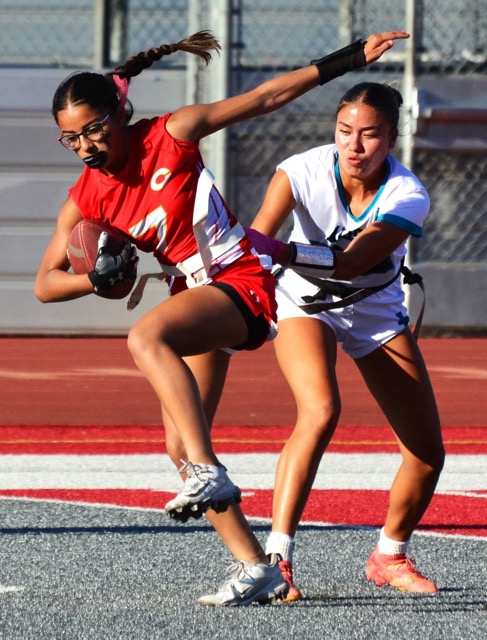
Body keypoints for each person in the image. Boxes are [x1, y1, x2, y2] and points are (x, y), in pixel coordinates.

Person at [34, 30, 409, 606]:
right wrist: (95, 279)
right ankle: (258, 568)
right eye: (70, 137)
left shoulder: (171, 132)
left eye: (93, 129)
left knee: (147, 335)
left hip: (240, 278)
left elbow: (265, 97)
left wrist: (349, 57)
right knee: (179, 449)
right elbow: (44, 285)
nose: (84, 144)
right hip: (194, 293)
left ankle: (210, 472)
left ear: (120, 113)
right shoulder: (86, 196)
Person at [248, 81, 445, 599]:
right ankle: (277, 561)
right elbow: (258, 241)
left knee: (427, 455)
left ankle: (389, 554)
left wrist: (282, 252)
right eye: (344, 131)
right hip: (304, 304)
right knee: (320, 409)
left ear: (392, 139)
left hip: (376, 314)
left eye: (370, 135)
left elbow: (356, 260)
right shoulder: (301, 171)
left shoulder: (408, 194)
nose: (354, 146)